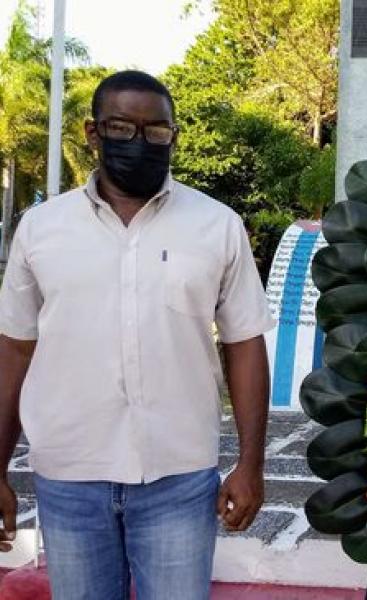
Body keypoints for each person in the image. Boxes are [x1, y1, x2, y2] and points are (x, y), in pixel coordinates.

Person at [0, 70, 275, 599]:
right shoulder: (41, 228)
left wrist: (251, 464)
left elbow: (243, 343)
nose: (140, 142)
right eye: (122, 127)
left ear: (173, 135)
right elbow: (15, 347)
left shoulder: (216, 225)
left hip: (179, 479)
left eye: (156, 131)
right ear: (93, 132)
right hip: (69, 478)